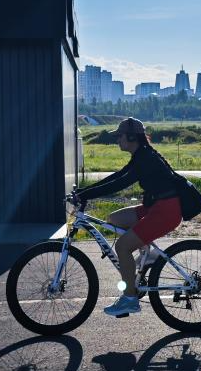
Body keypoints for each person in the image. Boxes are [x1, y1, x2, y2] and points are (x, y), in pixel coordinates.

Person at [76, 118, 183, 317]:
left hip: (165, 211)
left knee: (122, 246)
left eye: (120, 135)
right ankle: (148, 254)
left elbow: (120, 184)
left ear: (132, 137)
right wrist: (85, 191)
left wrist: (85, 195)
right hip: (155, 207)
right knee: (115, 219)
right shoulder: (140, 155)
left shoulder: (145, 158)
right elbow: (118, 176)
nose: (117, 139)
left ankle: (130, 299)